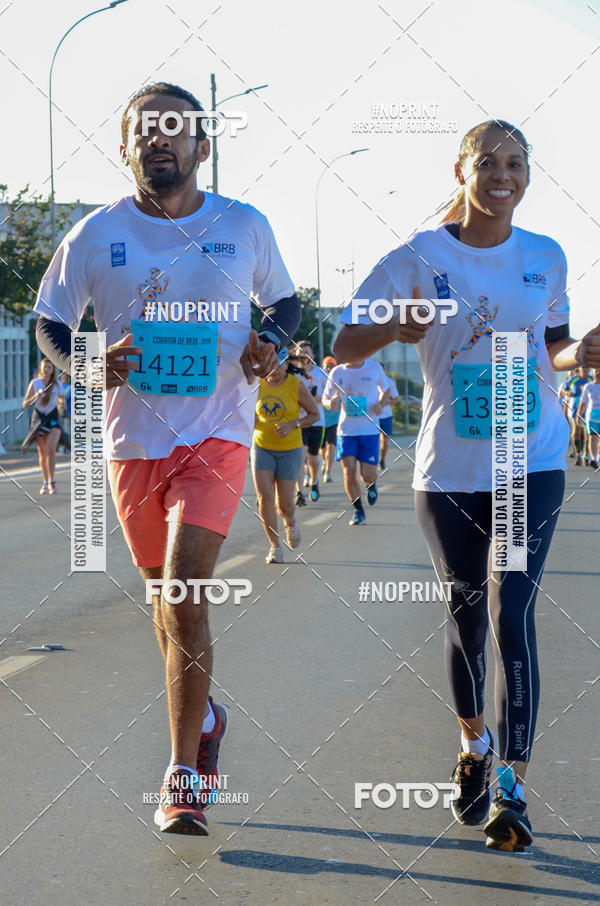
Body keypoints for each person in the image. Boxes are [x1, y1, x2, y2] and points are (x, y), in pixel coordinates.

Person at [33, 81, 301, 836]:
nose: (159, 138)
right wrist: (87, 365)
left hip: (218, 434)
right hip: (132, 443)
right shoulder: (94, 235)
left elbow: (284, 304)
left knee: (184, 592)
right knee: (164, 600)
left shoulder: (243, 224)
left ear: (201, 146)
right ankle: (206, 716)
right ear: (125, 148)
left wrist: (271, 344)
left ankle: (182, 775)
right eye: (145, 129)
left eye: (175, 127)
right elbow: (50, 321)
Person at [333, 119, 600, 851]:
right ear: (462, 171)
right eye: (489, 162)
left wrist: (582, 353)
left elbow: (554, 348)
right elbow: (344, 344)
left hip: (530, 457)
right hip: (450, 467)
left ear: (528, 174)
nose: (503, 175)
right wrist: (393, 327)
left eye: (516, 163)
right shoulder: (417, 257)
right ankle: (474, 742)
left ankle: (512, 785)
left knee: (513, 611)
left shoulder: (546, 256)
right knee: (467, 617)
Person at [252, 350, 319, 563]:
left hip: (290, 449)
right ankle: (275, 546)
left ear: (286, 365)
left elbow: (314, 414)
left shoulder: (295, 385)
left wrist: (294, 424)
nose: (275, 370)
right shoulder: (255, 384)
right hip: (262, 446)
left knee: (284, 504)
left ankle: (289, 522)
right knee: (264, 498)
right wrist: (249, 421)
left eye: (279, 364)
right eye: (271, 364)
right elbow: (241, 411)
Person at [322, 357, 389, 525]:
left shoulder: (374, 368)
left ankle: (371, 484)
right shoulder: (337, 372)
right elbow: (325, 398)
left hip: (369, 431)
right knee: (349, 472)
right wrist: (330, 403)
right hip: (346, 432)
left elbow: (386, 390)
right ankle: (358, 510)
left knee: (367, 474)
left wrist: (381, 404)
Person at [21, 358, 65, 494]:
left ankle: (52, 482)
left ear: (53, 370)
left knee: (51, 449)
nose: (46, 369)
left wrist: (62, 404)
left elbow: (61, 399)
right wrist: (36, 395)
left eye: (49, 367)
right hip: (39, 419)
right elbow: (25, 404)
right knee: (43, 453)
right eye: (44, 367)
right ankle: (45, 482)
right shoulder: (35, 383)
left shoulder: (57, 384)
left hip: (53, 419)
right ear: (40, 368)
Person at [292, 340, 327, 504]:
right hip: (299, 421)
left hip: (317, 421)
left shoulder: (321, 374)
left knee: (313, 458)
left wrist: (314, 398)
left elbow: (327, 398)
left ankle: (314, 481)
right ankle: (299, 492)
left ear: (312, 355)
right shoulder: (292, 374)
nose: (304, 356)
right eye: (300, 353)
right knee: (300, 456)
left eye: (306, 353)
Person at [320, 355, 339, 482]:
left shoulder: (338, 378)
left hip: (335, 418)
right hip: (321, 418)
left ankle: (328, 471)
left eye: (332, 365)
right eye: (327, 365)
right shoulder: (319, 377)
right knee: (321, 449)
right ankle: (324, 461)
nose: (329, 368)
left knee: (331, 445)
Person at [576, 368, 600, 469]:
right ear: (593, 374)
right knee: (592, 438)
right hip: (591, 417)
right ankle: (593, 459)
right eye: (596, 371)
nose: (598, 373)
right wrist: (579, 415)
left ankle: (598, 458)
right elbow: (583, 403)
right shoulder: (588, 386)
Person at [567, 366, 591, 465]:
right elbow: (565, 390)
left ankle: (586, 455)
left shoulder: (591, 379)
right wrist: (569, 393)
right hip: (575, 409)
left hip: (588, 410)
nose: (585, 369)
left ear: (589, 369)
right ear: (580, 369)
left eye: (586, 368)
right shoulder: (573, 379)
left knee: (587, 433)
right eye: (583, 368)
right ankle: (578, 455)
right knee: (577, 430)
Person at [378, 374, 399, 471]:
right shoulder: (368, 379)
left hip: (386, 416)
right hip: (372, 416)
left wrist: (383, 404)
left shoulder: (389, 381)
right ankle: (372, 460)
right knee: (372, 439)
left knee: (384, 440)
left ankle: (382, 460)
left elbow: (396, 399)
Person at [557, 368, 577, 458]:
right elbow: (560, 396)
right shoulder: (564, 384)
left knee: (573, 429)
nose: (573, 374)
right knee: (568, 429)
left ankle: (574, 449)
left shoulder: (577, 384)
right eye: (571, 373)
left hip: (572, 409)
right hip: (565, 408)